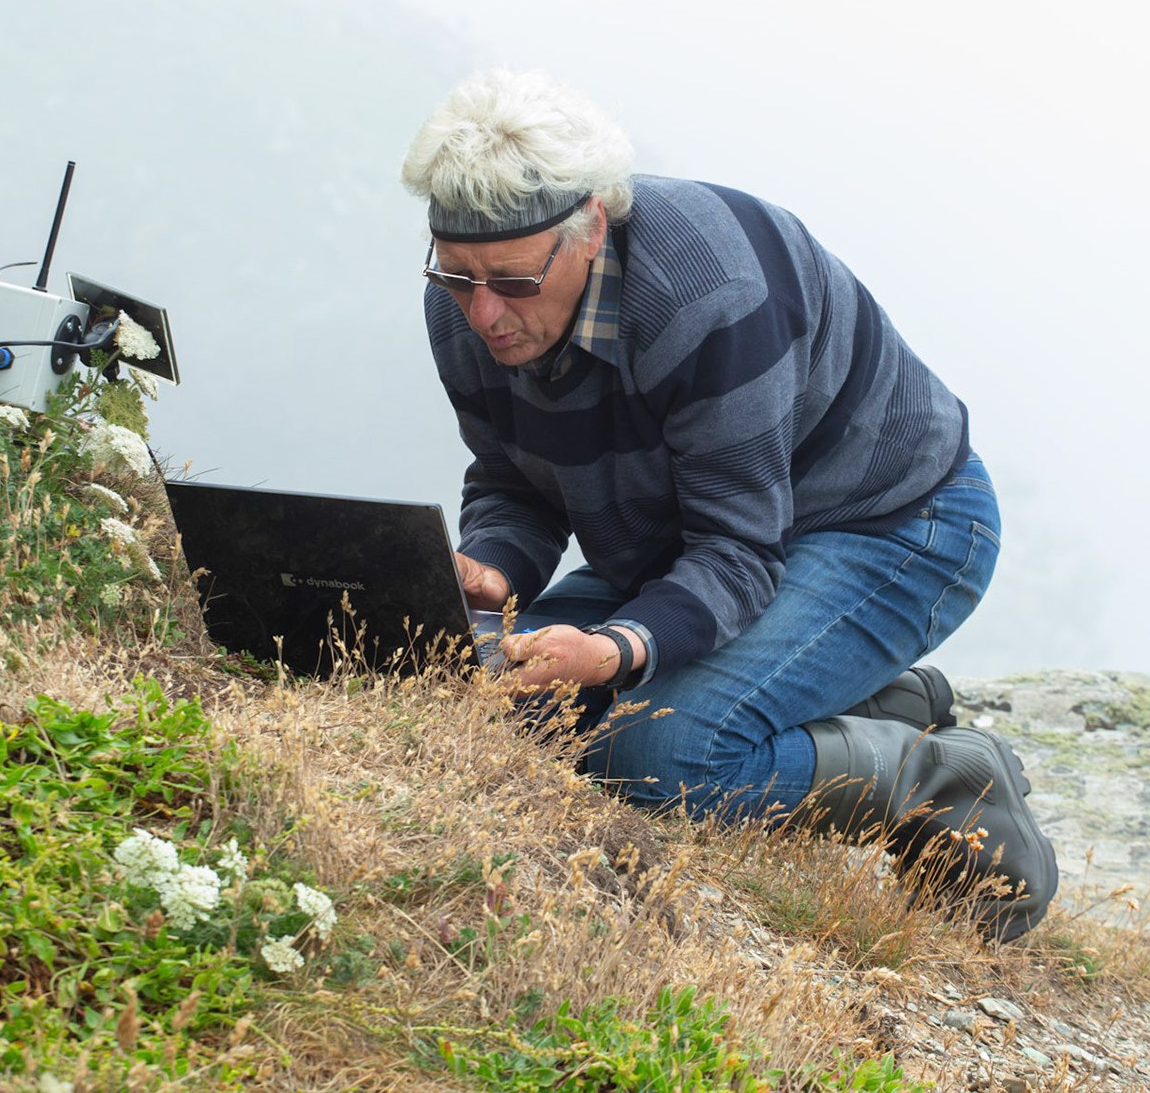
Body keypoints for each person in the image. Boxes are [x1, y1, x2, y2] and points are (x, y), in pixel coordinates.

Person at [401, 70, 1057, 938]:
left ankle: (938, 777)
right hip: (686, 540)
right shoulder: (466, 306)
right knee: (499, 704)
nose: (484, 314)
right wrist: (493, 569)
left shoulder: (707, 296)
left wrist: (608, 652)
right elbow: (516, 481)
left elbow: (739, 552)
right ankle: (859, 696)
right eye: (459, 275)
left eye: (513, 281)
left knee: (658, 758)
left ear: (591, 224)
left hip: (890, 528)